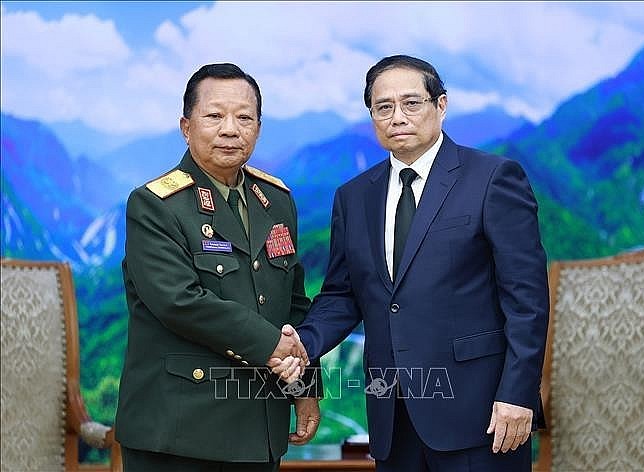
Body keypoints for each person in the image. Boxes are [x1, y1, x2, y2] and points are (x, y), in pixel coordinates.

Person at [271, 55, 549, 471]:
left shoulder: (492, 178)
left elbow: (527, 300)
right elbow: (343, 296)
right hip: (392, 418)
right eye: (383, 107)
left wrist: (517, 394)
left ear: (441, 105)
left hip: (484, 415)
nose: (397, 117)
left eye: (411, 103)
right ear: (372, 117)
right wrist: (303, 345)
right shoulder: (353, 197)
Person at [115, 63, 321, 472]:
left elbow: (294, 305)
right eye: (214, 116)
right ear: (186, 126)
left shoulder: (277, 201)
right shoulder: (154, 204)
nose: (231, 129)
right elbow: (179, 302)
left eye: (244, 117)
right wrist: (272, 347)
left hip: (258, 430)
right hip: (179, 432)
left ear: (259, 128)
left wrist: (304, 386)